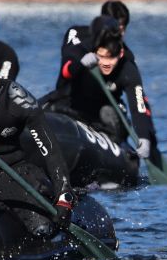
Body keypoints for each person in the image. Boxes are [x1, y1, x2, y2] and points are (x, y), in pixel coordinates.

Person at [0, 54, 74, 236]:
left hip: (10, 170)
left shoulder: (20, 100)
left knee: (42, 228)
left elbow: (50, 151)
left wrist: (64, 196)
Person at [55, 17, 154, 159]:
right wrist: (80, 64)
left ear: (119, 54)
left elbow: (139, 105)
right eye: (101, 57)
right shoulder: (80, 48)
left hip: (102, 113)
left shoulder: (128, 68)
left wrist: (144, 137)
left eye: (111, 58)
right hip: (73, 104)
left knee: (108, 113)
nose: (106, 63)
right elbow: (65, 72)